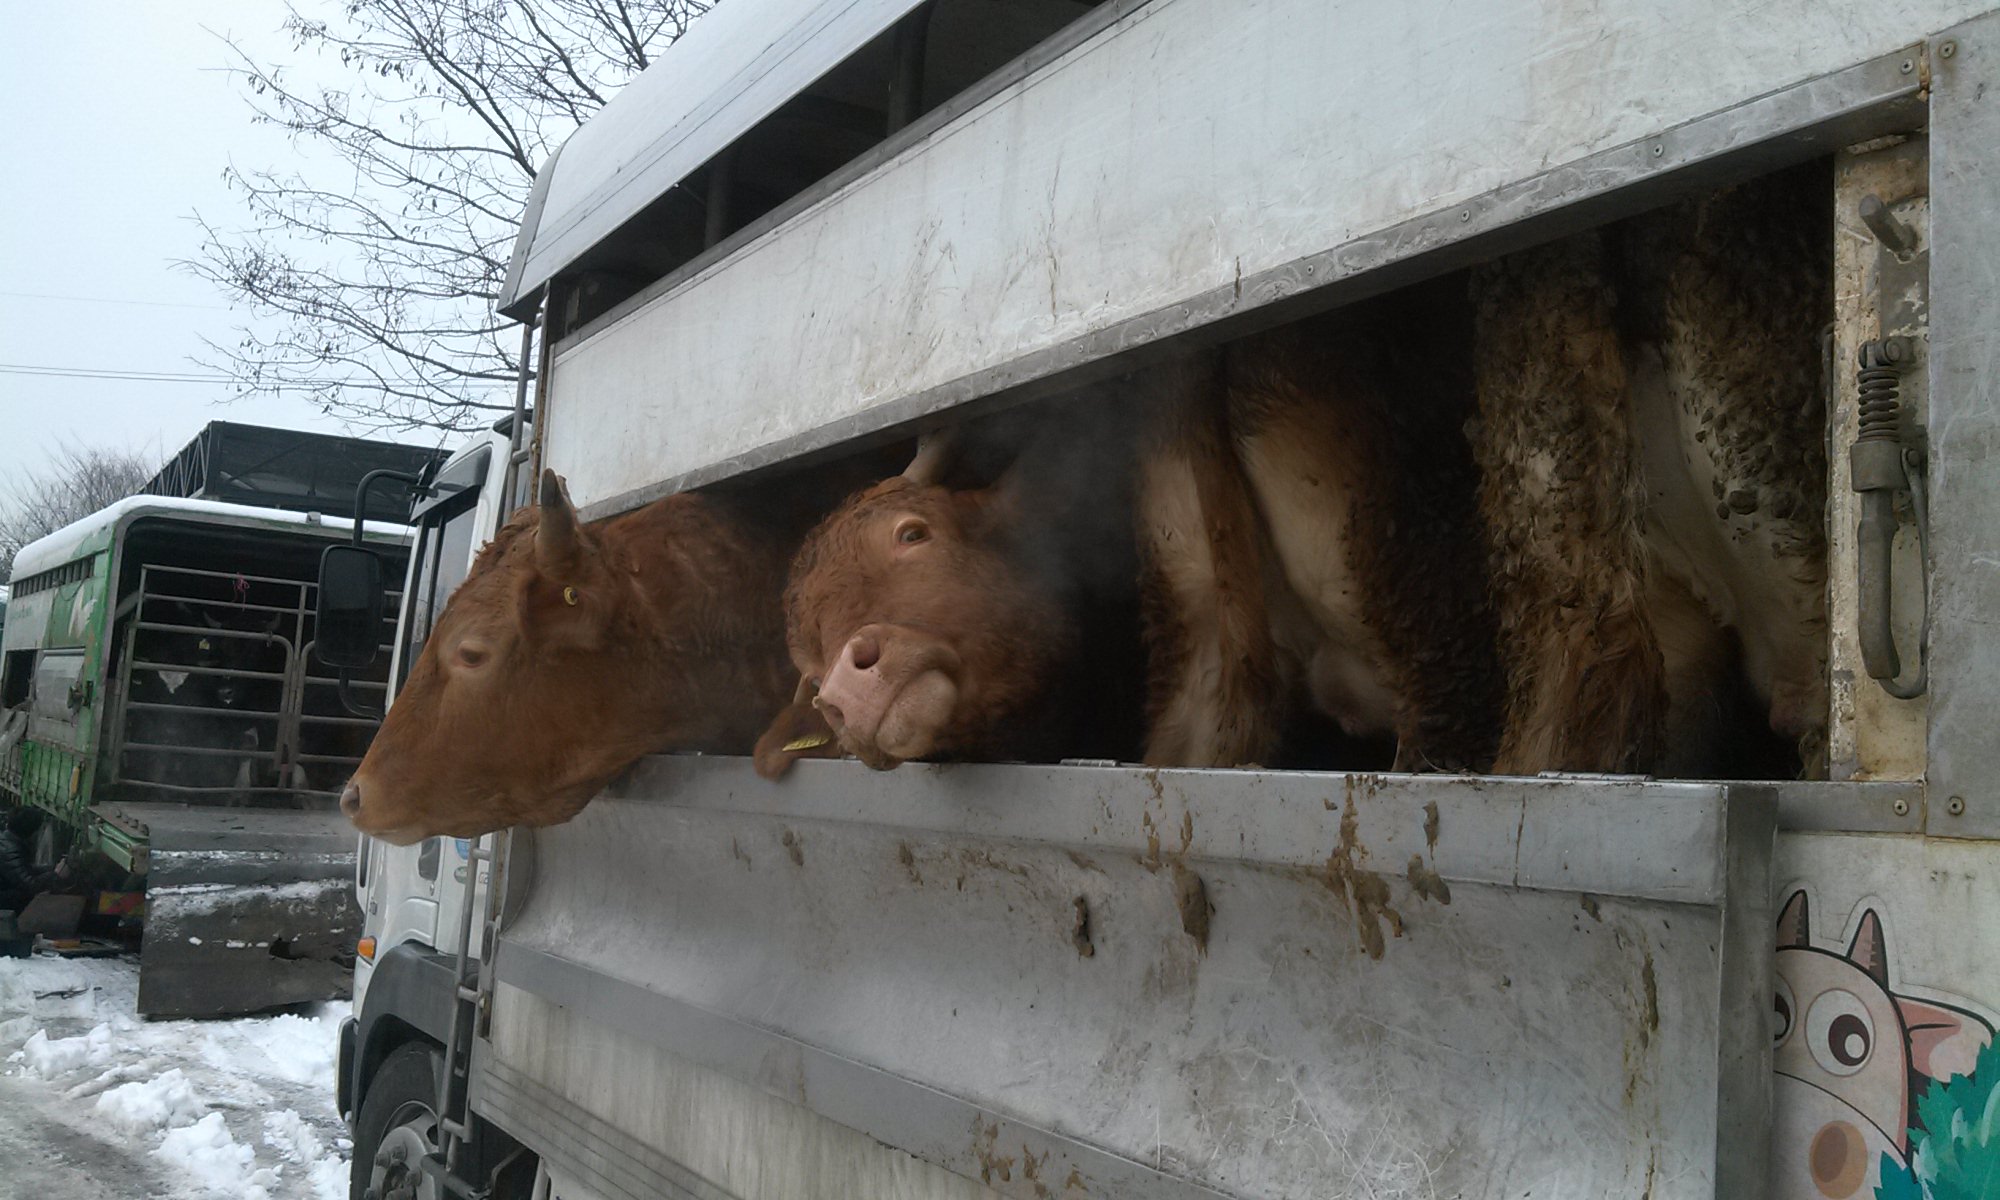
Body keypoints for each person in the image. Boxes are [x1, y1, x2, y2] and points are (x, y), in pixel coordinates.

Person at [0, 806, 68, 914]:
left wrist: (51, 867)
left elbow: (24, 870)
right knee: (28, 897)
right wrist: (55, 874)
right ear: (30, 832)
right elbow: (30, 886)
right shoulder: (11, 851)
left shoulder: (7, 841)